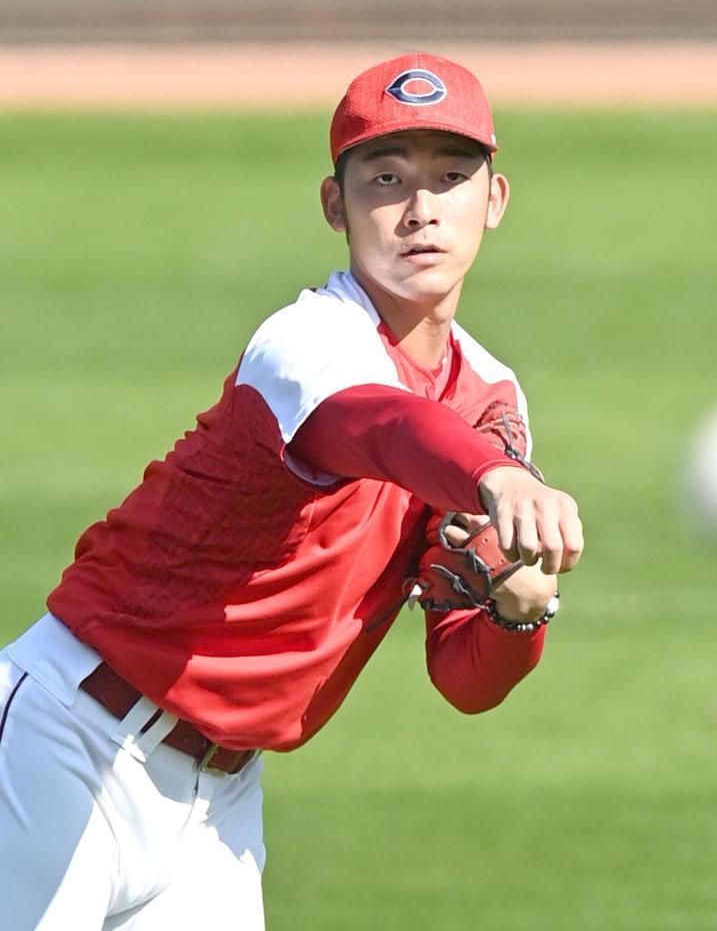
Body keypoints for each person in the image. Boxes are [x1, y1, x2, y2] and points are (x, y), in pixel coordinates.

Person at [0, 52, 583, 930]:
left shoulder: (491, 400)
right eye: (386, 179)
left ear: (493, 202)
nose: (421, 209)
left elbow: (464, 679)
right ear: (333, 204)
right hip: (68, 742)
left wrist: (519, 611)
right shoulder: (306, 344)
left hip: (218, 812)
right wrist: (493, 473)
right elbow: (378, 425)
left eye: (451, 177)